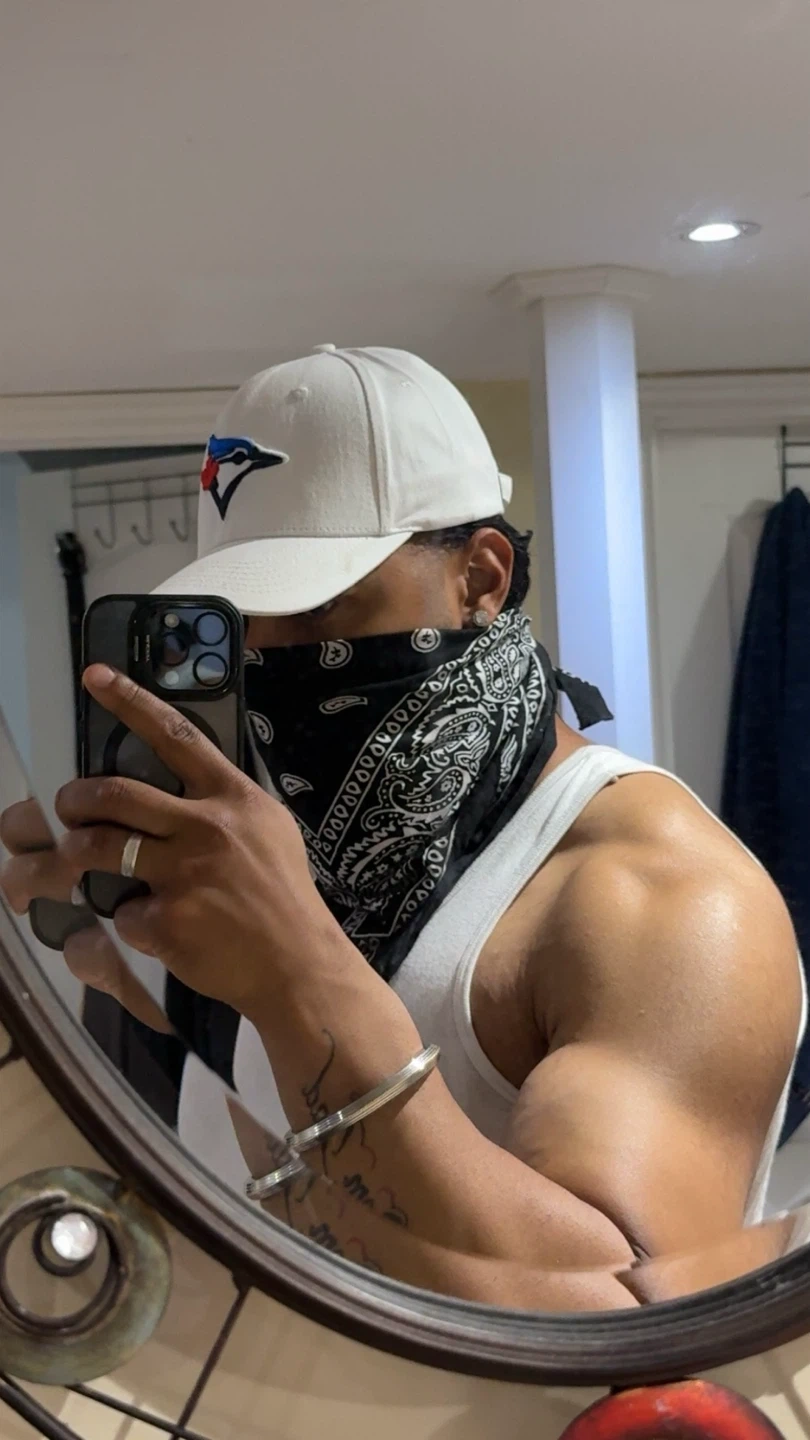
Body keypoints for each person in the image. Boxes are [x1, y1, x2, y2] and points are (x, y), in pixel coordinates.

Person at [0, 346, 804, 1309]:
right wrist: (93, 989)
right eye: (241, 622)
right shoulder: (282, 846)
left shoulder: (662, 897)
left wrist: (296, 972)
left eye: (320, 607)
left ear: (483, 578)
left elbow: (627, 1319)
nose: (271, 658)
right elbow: (224, 1189)